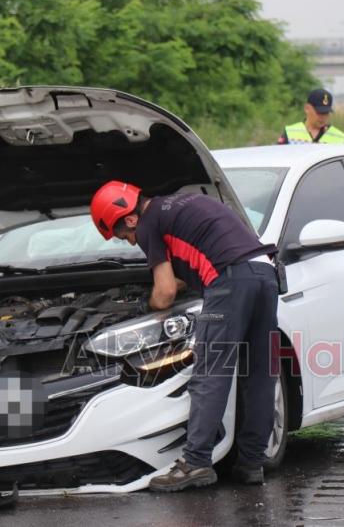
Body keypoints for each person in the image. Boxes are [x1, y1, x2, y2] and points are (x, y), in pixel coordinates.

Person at [90, 181, 280, 492]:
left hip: (229, 282)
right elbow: (185, 271)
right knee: (259, 373)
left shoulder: (149, 223)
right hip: (264, 274)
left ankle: (195, 463)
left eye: (124, 235)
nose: (128, 242)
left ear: (131, 218)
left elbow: (164, 293)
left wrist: (144, 306)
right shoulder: (179, 205)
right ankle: (251, 463)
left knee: (210, 374)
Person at [279, 88, 344, 145]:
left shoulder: (339, 137)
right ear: (307, 108)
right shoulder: (290, 133)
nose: (323, 117)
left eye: (326, 113)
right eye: (319, 112)